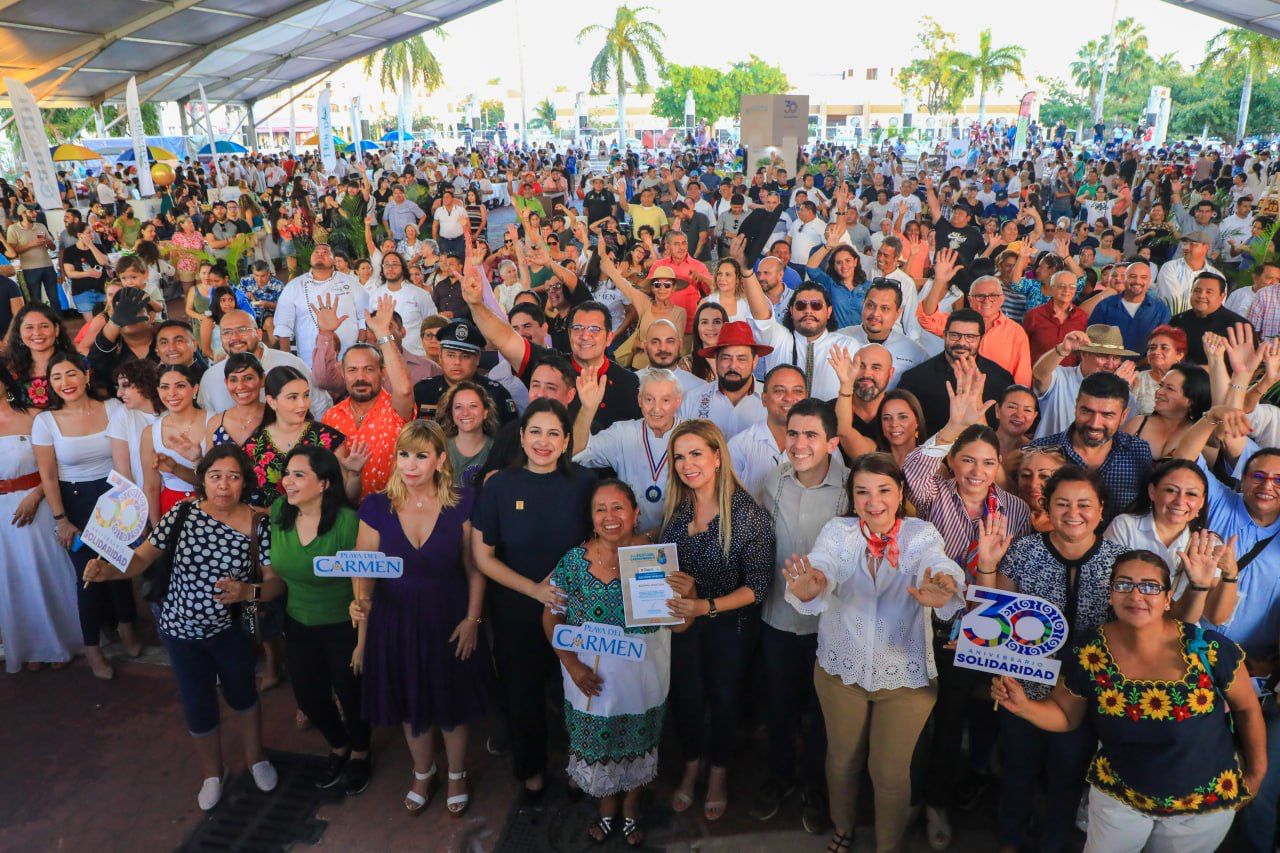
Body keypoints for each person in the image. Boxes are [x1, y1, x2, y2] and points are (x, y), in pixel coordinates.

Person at [992, 550, 1265, 853]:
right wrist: (1024, 706)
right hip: (1119, 800)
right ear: (1110, 594)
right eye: (1123, 584)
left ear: (1167, 598)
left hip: (1202, 806)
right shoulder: (1089, 651)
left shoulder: (1209, 650)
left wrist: (1256, 772)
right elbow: (1065, 716)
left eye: (1149, 586)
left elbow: (1247, 708)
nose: (1136, 595)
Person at [782, 452, 965, 853]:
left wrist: (945, 582)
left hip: (905, 677)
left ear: (900, 494)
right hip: (839, 672)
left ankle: (887, 846)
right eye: (862, 491)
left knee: (889, 772)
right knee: (842, 761)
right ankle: (843, 827)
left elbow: (938, 562)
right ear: (853, 496)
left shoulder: (921, 534)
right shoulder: (840, 531)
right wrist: (812, 583)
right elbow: (824, 563)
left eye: (883, 490)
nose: (873, 501)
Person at [82, 444, 278, 811]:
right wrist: (108, 571)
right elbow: (141, 559)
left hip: (231, 632)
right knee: (197, 704)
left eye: (233, 477)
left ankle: (256, 759)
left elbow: (274, 583)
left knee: (244, 697)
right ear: (202, 479)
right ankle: (212, 773)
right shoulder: (183, 512)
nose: (223, 486)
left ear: (244, 482)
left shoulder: (257, 524)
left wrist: (245, 591)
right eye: (215, 476)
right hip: (178, 632)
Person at [981, 466, 1129, 853]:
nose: (1073, 512)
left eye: (1084, 504)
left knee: (1069, 774)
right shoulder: (1024, 551)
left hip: (1085, 698)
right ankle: (1010, 839)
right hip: (1021, 683)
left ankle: (1055, 842)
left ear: (1101, 510)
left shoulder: (1120, 563)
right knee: (1018, 770)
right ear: (1047, 506)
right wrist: (997, 669)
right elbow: (997, 617)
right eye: (1062, 503)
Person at [349, 420, 492, 816]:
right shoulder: (376, 506)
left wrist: (472, 620)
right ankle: (422, 771)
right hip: (394, 620)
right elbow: (364, 570)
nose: (410, 465)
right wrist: (360, 605)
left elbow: (475, 567)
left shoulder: (463, 502)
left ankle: (458, 774)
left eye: (421, 456)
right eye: (404, 455)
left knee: (452, 699)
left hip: (448, 616)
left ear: (441, 460)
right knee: (411, 702)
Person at [545, 479, 689, 846]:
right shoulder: (574, 562)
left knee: (637, 747)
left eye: (618, 508)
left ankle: (631, 810)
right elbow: (551, 618)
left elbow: (683, 623)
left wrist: (690, 595)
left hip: (643, 680)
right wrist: (573, 666)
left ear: (635, 513)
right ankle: (608, 810)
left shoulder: (656, 559)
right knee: (602, 749)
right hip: (590, 682)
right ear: (592, 519)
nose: (610, 517)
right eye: (600, 509)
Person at [470, 398, 596, 803]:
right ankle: (532, 771)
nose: (544, 441)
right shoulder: (499, 487)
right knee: (522, 696)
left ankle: (582, 768)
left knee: (578, 694)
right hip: (517, 613)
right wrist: (535, 590)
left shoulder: (584, 484)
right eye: (535, 432)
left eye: (554, 433)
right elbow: (482, 557)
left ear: (566, 443)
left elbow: (603, 539)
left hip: (576, 613)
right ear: (522, 438)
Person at [661, 419, 775, 821]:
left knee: (725, 701)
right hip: (684, 625)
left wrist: (704, 605)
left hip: (730, 626)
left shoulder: (748, 516)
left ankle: (718, 775)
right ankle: (692, 765)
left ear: (716, 457)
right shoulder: (677, 510)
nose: (687, 464)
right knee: (687, 698)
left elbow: (757, 588)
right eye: (678, 456)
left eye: (695, 454)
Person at [751, 399, 848, 831]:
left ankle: (816, 787)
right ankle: (779, 776)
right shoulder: (774, 480)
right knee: (778, 706)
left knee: (821, 714)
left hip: (831, 625)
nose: (800, 443)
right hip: (778, 620)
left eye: (811, 435)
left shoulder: (851, 488)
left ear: (832, 442)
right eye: (793, 433)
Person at [265, 445, 370, 794]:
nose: (288, 483)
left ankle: (359, 752)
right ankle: (338, 745)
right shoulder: (280, 510)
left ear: (324, 483)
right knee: (309, 697)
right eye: (287, 474)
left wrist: (362, 631)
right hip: (297, 621)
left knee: (351, 694)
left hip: (342, 623)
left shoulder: (346, 521)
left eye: (299, 475)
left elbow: (362, 579)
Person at [31, 351, 139, 681]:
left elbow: (130, 452)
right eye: (57, 378)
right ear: (49, 384)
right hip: (73, 503)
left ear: (86, 374)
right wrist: (61, 519)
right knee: (87, 576)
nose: (66, 383)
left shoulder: (113, 408)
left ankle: (127, 627)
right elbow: (48, 476)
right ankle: (93, 648)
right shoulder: (44, 421)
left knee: (119, 566)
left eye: (71, 374)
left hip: (114, 498)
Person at [0, 369, 81, 672]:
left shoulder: (35, 416)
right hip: (1, 514)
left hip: (39, 503)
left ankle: (61, 643)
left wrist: (35, 496)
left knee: (46, 570)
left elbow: (54, 464)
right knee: (13, 578)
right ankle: (30, 646)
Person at [318, 296, 414, 499]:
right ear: (343, 374)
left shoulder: (395, 409)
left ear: (383, 372)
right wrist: (325, 334)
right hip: (345, 514)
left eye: (368, 369)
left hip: (393, 510)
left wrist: (382, 334)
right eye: (352, 370)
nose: (360, 377)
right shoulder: (331, 417)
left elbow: (404, 389)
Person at [1029, 371, 1152, 524]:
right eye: (1086, 411)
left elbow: (1145, 510)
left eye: (1107, 415)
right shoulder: (1041, 450)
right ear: (1076, 406)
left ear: (1124, 416)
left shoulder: (1138, 451)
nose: (1094, 424)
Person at [572, 368, 683, 532]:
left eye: (665, 400)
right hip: (630, 542)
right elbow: (577, 452)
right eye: (649, 399)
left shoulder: (692, 435)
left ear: (678, 401)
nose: (656, 409)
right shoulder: (623, 432)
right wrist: (588, 409)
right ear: (639, 400)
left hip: (679, 538)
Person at [244, 366, 360, 507]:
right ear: (272, 401)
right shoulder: (254, 446)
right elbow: (250, 501)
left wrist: (354, 473)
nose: (302, 404)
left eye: (306, 395)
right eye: (293, 397)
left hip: (323, 524)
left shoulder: (328, 439)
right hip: (274, 526)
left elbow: (344, 498)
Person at [897, 308, 1016, 436]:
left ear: (981, 339)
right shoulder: (915, 378)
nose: (961, 342)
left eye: (970, 337)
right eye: (955, 335)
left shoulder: (1001, 378)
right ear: (944, 335)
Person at [197, 309, 332, 418]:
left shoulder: (291, 364)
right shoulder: (210, 378)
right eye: (227, 333)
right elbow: (207, 423)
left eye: (242, 330)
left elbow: (320, 406)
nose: (235, 337)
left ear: (259, 333)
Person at [1033, 324, 1139, 438]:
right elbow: (1038, 375)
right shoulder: (1061, 377)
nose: (1110, 365)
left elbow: (1119, 439)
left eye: (1116, 358)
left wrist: (1116, 389)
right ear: (1083, 354)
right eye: (1102, 356)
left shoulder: (1126, 396)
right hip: (1046, 453)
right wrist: (1062, 349)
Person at [274, 242, 370, 366]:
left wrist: (360, 345)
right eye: (317, 252)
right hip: (309, 359)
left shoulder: (350, 282)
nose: (320, 254)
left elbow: (365, 316)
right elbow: (283, 326)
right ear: (310, 259)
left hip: (349, 357)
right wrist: (287, 361)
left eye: (325, 252)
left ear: (334, 261)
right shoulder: (294, 286)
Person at [140, 363, 209, 518]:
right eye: (164, 387)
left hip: (212, 506)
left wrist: (177, 466)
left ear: (195, 389)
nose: (171, 393)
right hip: (170, 509)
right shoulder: (150, 433)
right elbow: (151, 487)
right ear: (158, 391)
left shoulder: (214, 421)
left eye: (180, 386)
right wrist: (157, 530)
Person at [1122, 362, 1210, 460]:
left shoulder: (1200, 434)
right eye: (1161, 385)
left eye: (1170, 389)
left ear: (1191, 400)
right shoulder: (1137, 423)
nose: (1159, 392)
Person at [1086, 262, 1172, 357]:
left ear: (1149, 281)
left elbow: (1165, 346)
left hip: (1147, 368)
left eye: (1143, 277)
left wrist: (1138, 365)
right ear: (1125, 278)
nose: (1137, 281)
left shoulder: (1161, 310)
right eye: (1133, 276)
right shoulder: (1104, 306)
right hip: (1108, 367)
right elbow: (1092, 342)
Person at [1169, 271, 1255, 364]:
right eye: (1197, 291)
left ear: (1222, 296)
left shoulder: (1239, 326)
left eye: (1209, 292)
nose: (1201, 296)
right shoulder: (1178, 320)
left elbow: (1247, 366)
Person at [4, 303, 77, 409]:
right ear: (19, 332)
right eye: (29, 327)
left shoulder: (77, 364)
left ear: (56, 329)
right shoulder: (9, 370)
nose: (37, 333)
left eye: (44, 326)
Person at [107, 359, 161, 489]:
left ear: (145, 384)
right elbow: (122, 470)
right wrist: (135, 505)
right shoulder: (122, 414)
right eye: (118, 387)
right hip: (141, 496)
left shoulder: (172, 411)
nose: (119, 393)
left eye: (125, 385)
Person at [438, 380, 498, 489]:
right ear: (451, 413)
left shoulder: (497, 451)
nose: (465, 412)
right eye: (458, 407)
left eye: (473, 406)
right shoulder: (439, 448)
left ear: (485, 412)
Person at [203, 353, 267, 449]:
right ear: (226, 382)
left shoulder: (278, 417)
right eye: (233, 380)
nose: (240, 386)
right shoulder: (215, 424)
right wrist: (195, 460)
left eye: (248, 378)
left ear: (262, 380)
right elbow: (210, 463)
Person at [1132, 326, 1188, 417]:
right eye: (1152, 348)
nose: (1156, 352)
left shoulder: (1188, 381)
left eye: (1164, 348)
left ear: (1179, 355)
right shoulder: (1137, 379)